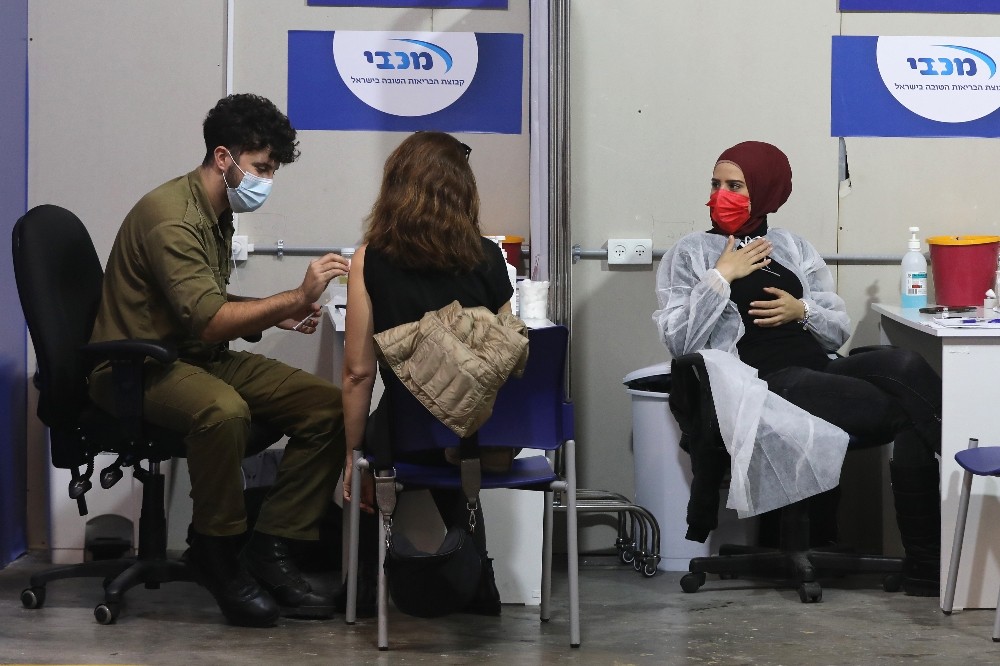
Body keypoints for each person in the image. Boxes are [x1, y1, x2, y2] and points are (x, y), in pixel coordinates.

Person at [88, 93, 349, 626]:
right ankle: (217, 551)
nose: (267, 180)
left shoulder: (216, 210)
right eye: (261, 167)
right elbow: (207, 319)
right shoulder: (172, 219)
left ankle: (271, 547)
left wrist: (274, 314)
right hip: (134, 369)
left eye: (272, 169)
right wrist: (295, 298)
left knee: (327, 406)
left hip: (191, 354)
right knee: (223, 411)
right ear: (223, 157)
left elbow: (200, 300)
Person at [652, 140, 942, 596]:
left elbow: (836, 330)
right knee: (910, 413)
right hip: (759, 385)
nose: (720, 195)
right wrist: (721, 276)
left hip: (816, 368)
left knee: (905, 365)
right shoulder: (691, 254)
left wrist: (801, 310)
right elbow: (679, 340)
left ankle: (931, 561)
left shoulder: (791, 247)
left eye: (735, 185)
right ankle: (932, 561)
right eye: (716, 184)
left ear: (766, 190)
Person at [341, 131, 515, 616]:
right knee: (458, 428)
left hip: (408, 433)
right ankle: (478, 578)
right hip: (481, 432)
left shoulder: (369, 259)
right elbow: (507, 353)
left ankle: (366, 586)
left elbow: (358, 373)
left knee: (391, 429)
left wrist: (352, 456)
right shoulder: (488, 256)